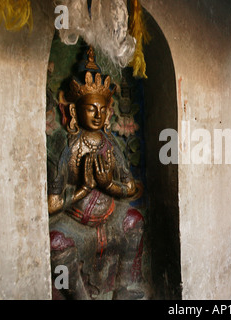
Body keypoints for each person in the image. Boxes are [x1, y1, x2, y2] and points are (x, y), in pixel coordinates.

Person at [47, 47, 145, 299]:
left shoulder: (111, 145)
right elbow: (51, 204)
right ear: (74, 111)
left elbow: (131, 187)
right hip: (75, 222)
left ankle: (124, 286)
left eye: (102, 110)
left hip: (109, 218)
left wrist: (110, 187)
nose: (98, 114)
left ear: (108, 112)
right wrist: (83, 190)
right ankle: (79, 296)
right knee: (55, 242)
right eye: (91, 109)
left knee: (134, 220)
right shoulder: (66, 146)